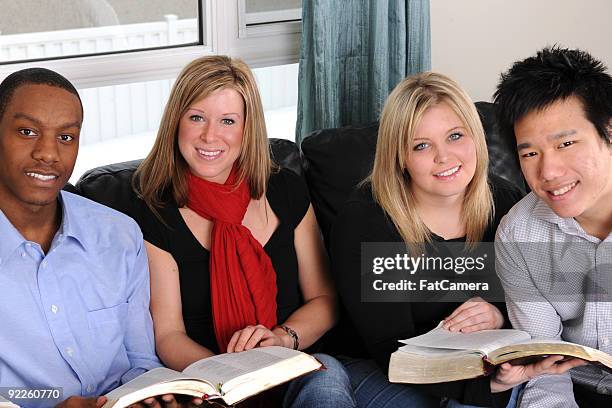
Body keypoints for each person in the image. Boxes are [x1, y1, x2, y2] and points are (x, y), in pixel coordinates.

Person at [330, 72, 576, 408]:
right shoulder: (365, 222)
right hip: (384, 367)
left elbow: (538, 300)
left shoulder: (507, 204)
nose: (443, 157)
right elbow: (390, 349)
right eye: (421, 145)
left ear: (475, 137)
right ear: (400, 157)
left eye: (455, 136)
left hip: (481, 362)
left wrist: (498, 313)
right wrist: (488, 388)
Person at [132, 55, 355, 407]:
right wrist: (230, 375)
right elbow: (169, 335)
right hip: (214, 381)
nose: (210, 135)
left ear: (246, 128)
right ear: (176, 121)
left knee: (326, 381)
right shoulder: (154, 211)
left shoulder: (285, 190)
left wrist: (282, 340)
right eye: (196, 117)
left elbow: (324, 301)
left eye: (227, 120)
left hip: (298, 367)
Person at [0, 68, 161, 408]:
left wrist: (150, 396)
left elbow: (142, 361)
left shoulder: (119, 235)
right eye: (27, 131)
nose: (48, 153)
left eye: (66, 137)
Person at [493, 46, 612, 407]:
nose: (548, 172)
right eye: (530, 153)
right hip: (578, 389)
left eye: (566, 143)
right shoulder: (517, 235)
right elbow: (545, 363)